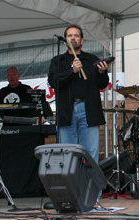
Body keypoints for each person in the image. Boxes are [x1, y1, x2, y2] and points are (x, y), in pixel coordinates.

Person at [47, 24, 111, 165]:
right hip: (67, 112)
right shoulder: (58, 61)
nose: (73, 38)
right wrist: (72, 70)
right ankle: (71, 186)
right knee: (67, 154)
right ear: (65, 41)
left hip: (88, 110)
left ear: (82, 41)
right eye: (70, 36)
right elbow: (53, 82)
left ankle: (92, 187)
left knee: (90, 153)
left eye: (76, 35)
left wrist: (101, 72)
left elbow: (103, 84)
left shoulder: (91, 59)